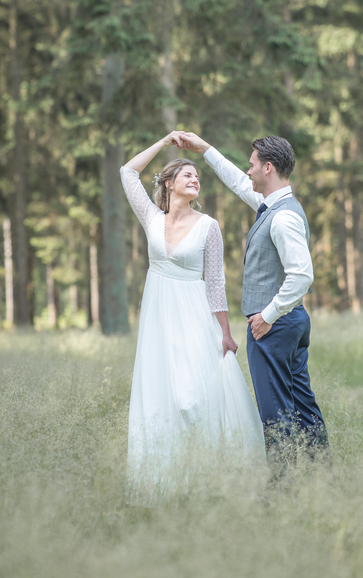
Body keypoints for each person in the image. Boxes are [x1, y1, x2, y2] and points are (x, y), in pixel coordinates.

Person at [120, 131, 266, 506]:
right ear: (169, 184)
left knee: (192, 399)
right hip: (157, 318)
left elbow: (215, 282)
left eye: (197, 176)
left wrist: (225, 333)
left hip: (193, 314)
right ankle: (165, 484)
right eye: (187, 174)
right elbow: (127, 172)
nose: (194, 179)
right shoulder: (152, 219)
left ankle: (210, 478)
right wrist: (164, 143)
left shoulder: (208, 226)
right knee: (160, 397)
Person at [178, 132, 329, 457]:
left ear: (268, 168)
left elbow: (302, 275)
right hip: (292, 322)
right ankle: (322, 477)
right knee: (303, 405)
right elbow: (237, 182)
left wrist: (267, 316)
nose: (248, 171)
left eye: (252, 165)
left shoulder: (283, 217)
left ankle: (280, 490)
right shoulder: (274, 205)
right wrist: (205, 148)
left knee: (274, 413)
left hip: (274, 326)